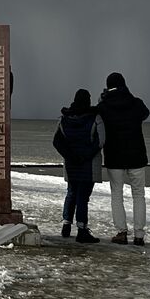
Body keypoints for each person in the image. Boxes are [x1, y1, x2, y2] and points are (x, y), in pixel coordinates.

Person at [97, 72, 150, 246]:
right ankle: (139, 235)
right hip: (137, 157)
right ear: (124, 85)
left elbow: (97, 115)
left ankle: (121, 232)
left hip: (114, 157)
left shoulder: (104, 106)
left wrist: (103, 98)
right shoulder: (136, 103)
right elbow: (145, 113)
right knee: (139, 195)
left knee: (117, 195)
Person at [52, 89, 105, 244]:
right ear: (88, 101)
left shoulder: (64, 118)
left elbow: (57, 141)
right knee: (83, 197)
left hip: (71, 164)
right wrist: (86, 155)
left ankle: (66, 226)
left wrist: (70, 156)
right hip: (88, 165)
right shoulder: (95, 118)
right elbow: (101, 140)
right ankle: (82, 230)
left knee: (71, 193)